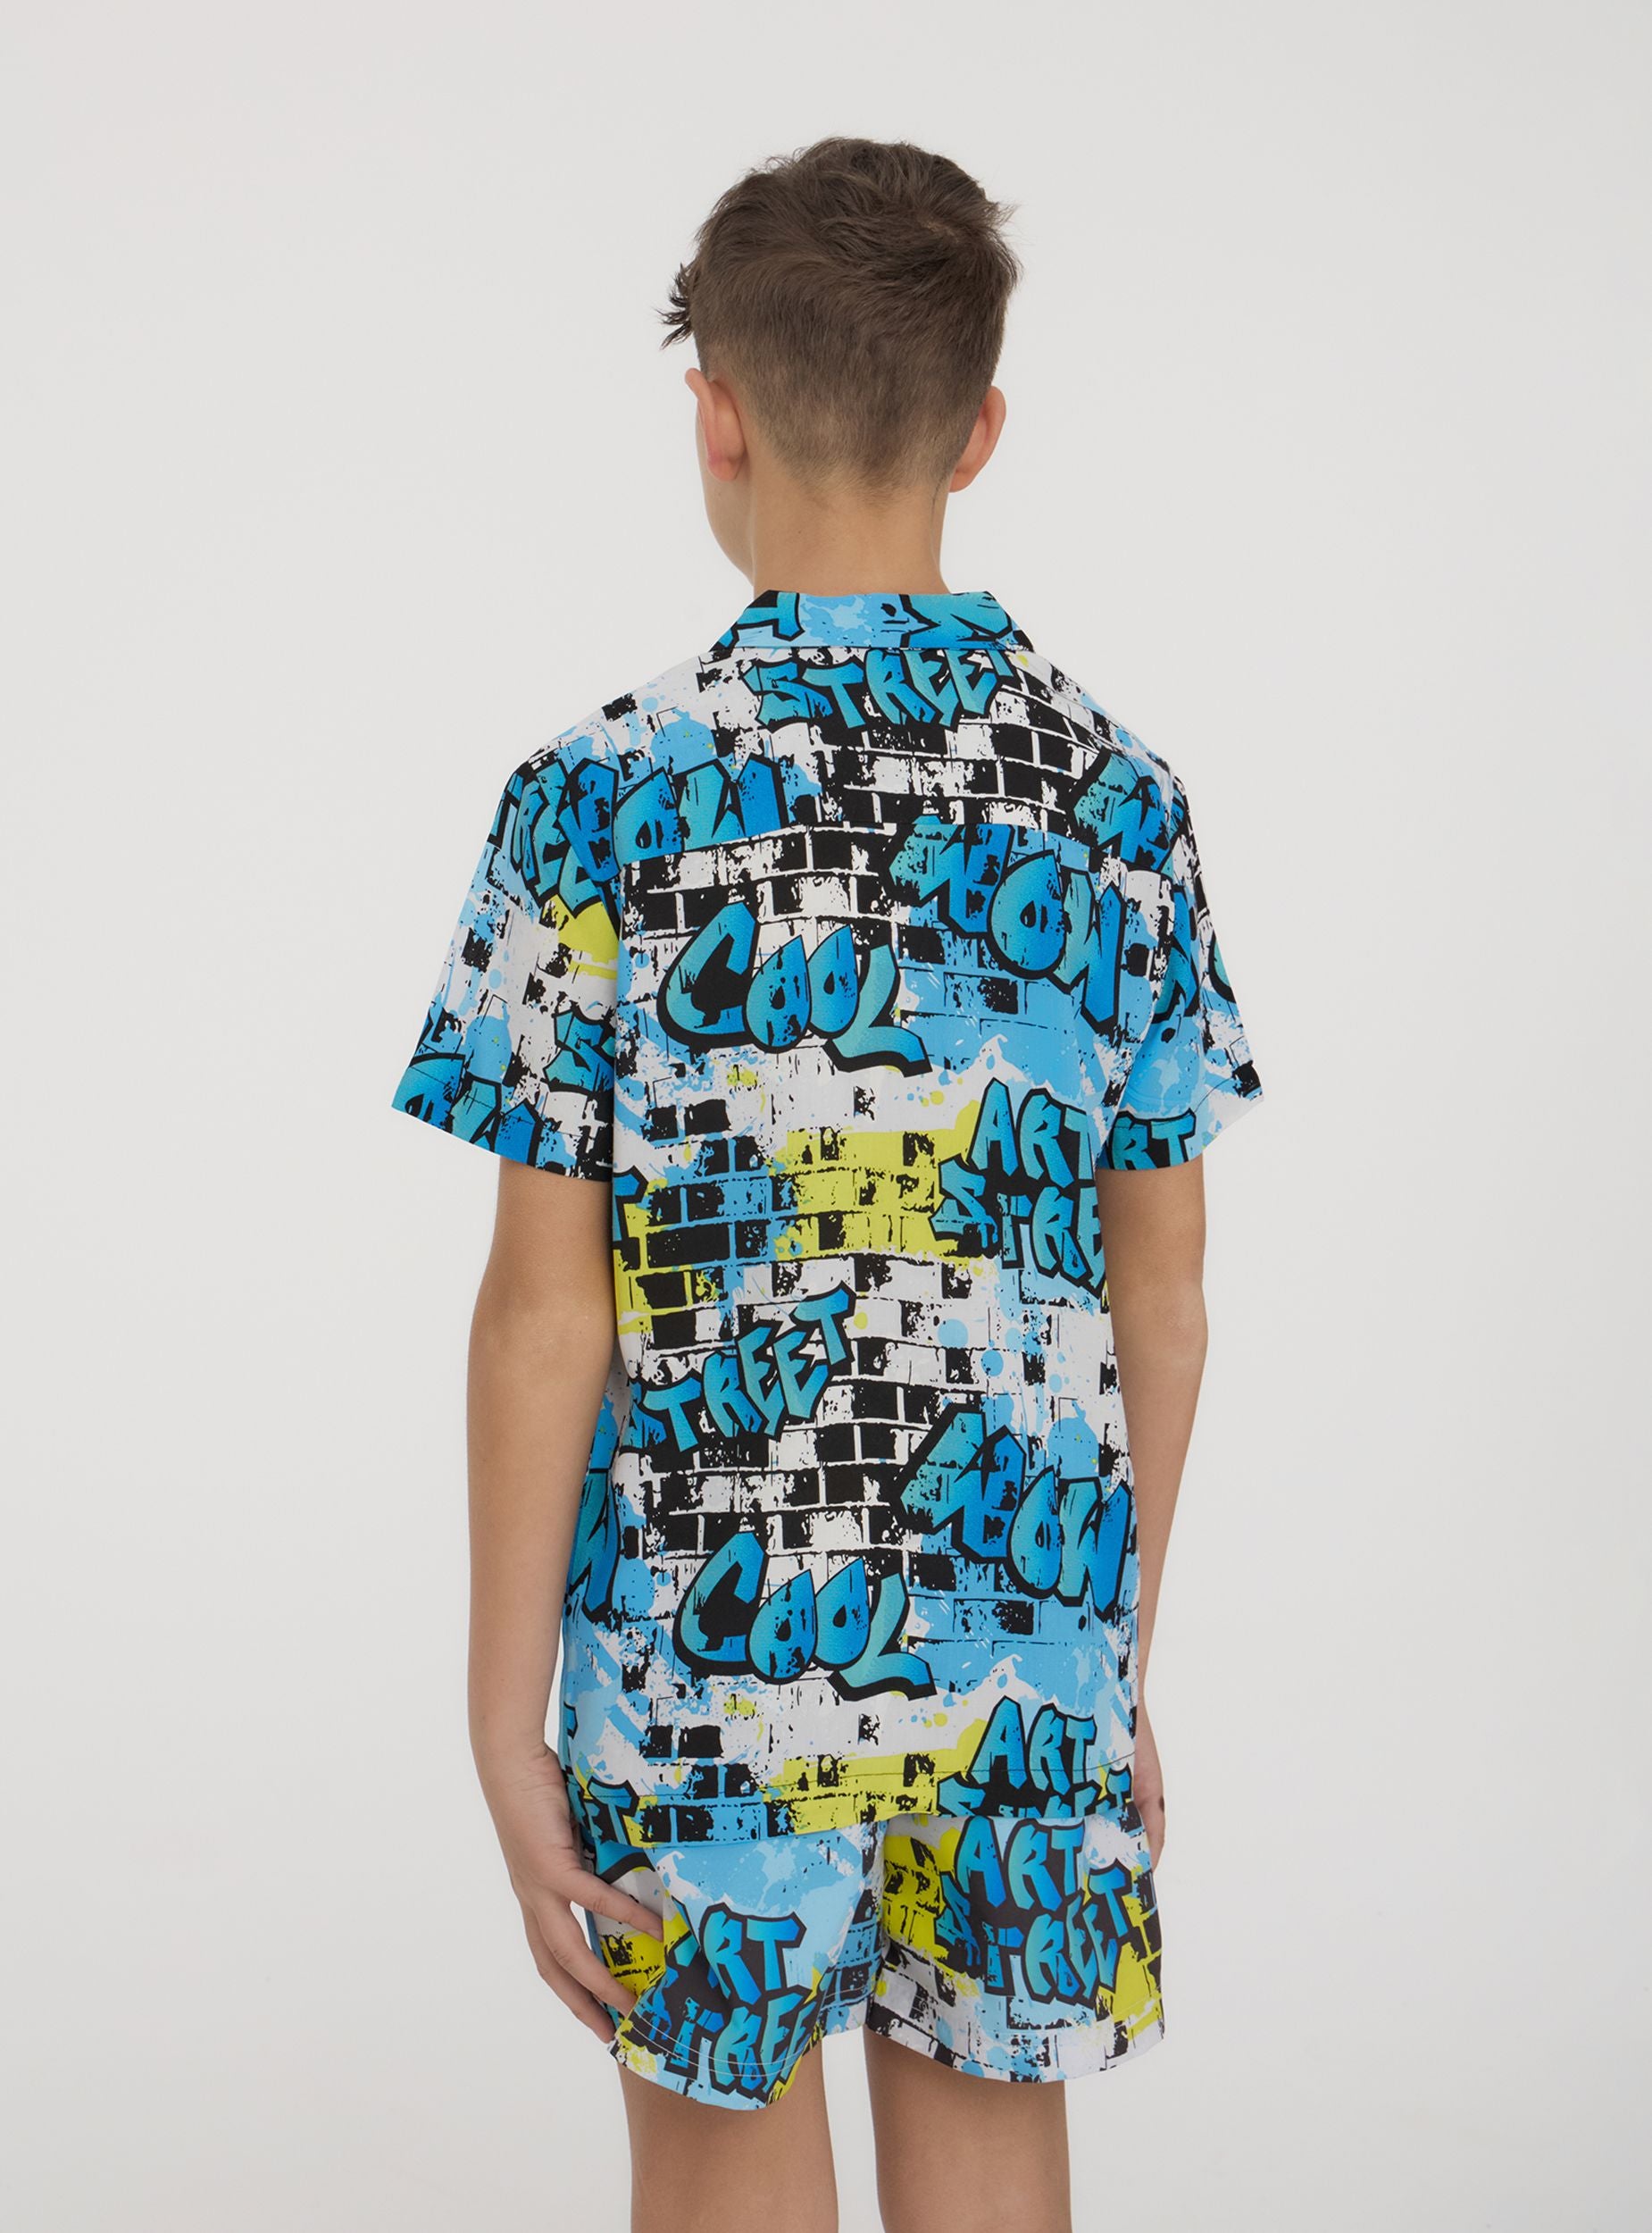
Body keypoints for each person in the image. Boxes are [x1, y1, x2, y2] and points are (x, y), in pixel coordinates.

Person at [391, 136, 1264, 2233]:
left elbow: (543, 1313)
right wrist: (1106, 1660)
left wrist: (504, 1726)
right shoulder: (1118, 802)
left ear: (713, 410)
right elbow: (1163, 1292)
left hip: (705, 1663)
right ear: (979, 429)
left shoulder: (595, 801)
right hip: (1021, 1652)